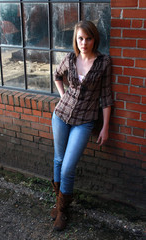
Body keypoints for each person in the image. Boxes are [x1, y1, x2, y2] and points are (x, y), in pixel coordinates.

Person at [51, 20, 113, 231]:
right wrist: (62, 96)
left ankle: (63, 210)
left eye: (88, 38)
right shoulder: (70, 58)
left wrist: (105, 126)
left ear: (94, 39)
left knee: (68, 166)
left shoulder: (103, 62)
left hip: (85, 121)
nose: (84, 42)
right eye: (80, 38)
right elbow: (57, 75)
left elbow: (106, 96)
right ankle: (59, 205)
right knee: (59, 159)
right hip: (60, 116)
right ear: (75, 40)